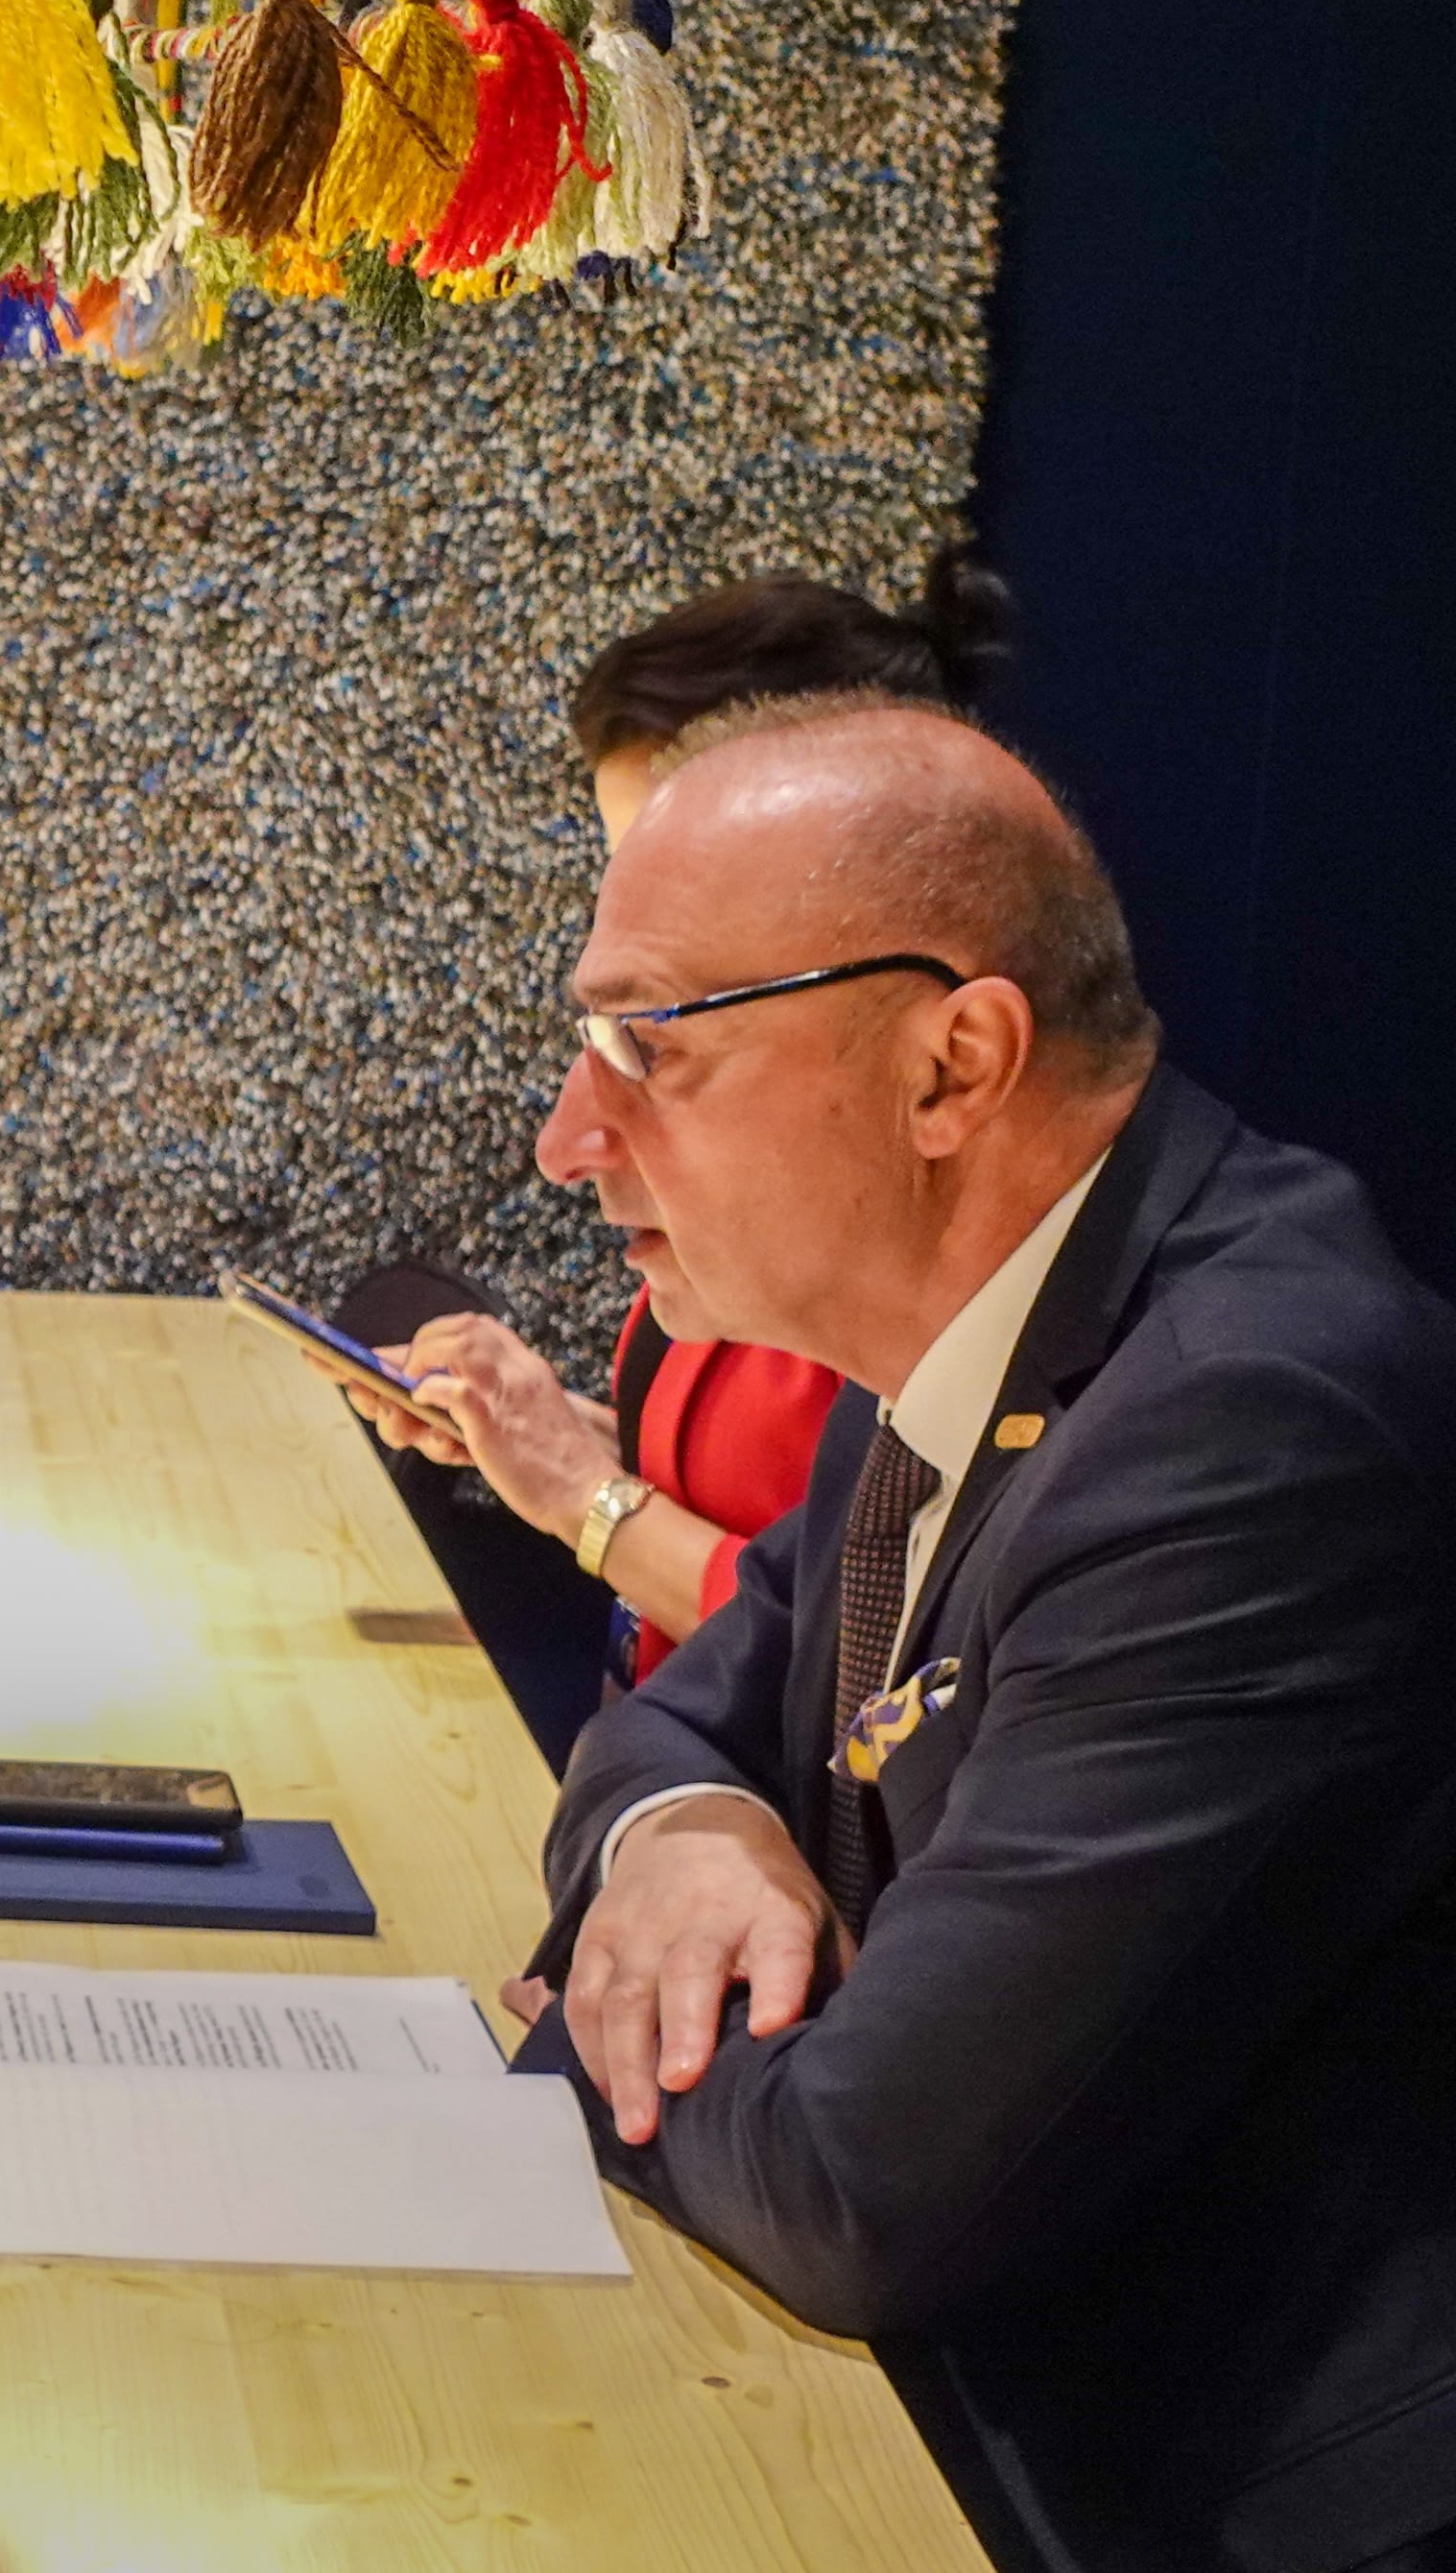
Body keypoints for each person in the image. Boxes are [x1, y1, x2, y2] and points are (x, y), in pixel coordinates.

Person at [503, 692, 1456, 2570]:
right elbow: (693, 1708)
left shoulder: (1243, 1425)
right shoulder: (976, 1306)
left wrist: (584, 2016)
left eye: (646, 1044)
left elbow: (868, 2186)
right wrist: (679, 1837)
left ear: (951, 1065)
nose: (564, 1135)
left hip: (1191, 2498)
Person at [318, 566, 1005, 1757]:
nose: (569, 1149)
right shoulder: (738, 1199)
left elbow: (874, 1659)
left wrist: (582, 1499)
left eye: (677, 1013)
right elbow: (763, 1512)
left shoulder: (912, 1260)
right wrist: (530, 1431)